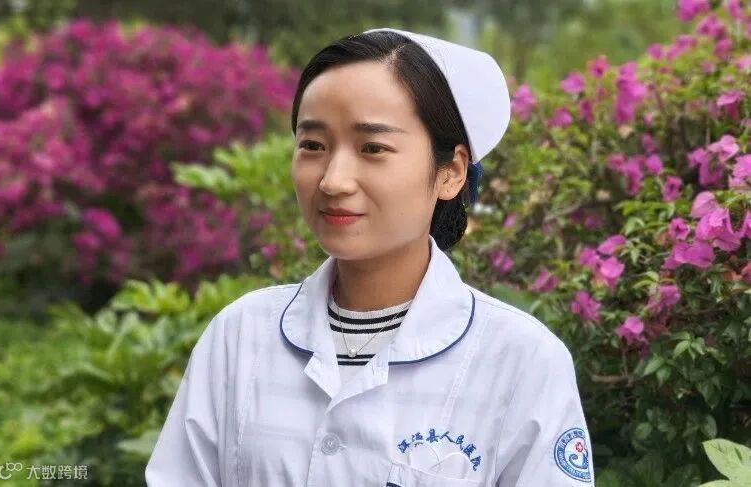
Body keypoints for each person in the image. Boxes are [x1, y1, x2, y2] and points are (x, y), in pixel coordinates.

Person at [145, 27, 594, 486]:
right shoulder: (240, 335)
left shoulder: (521, 361)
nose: (333, 180)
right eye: (313, 145)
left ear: (451, 172)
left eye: (373, 148)